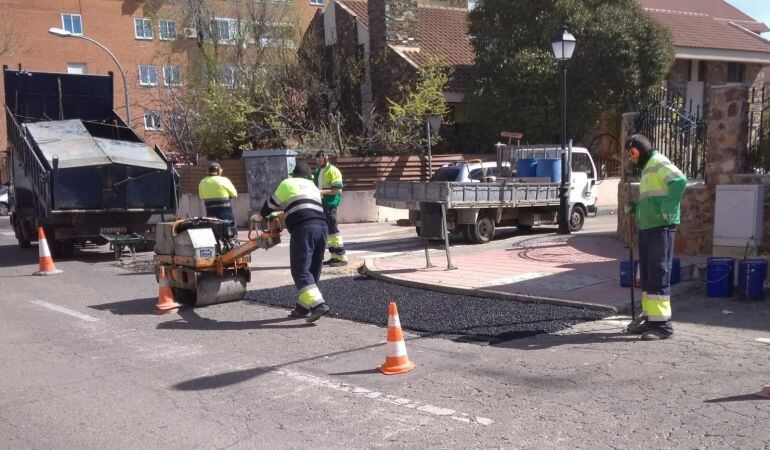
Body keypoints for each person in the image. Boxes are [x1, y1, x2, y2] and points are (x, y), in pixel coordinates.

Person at [625, 134, 687, 341]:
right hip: (649, 227)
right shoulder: (648, 168)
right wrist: (636, 208)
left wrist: (667, 209)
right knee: (649, 275)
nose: (631, 159)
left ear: (638, 150)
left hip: (661, 227)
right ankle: (652, 320)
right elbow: (653, 198)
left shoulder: (658, 162)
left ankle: (663, 326)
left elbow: (679, 180)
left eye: (632, 154)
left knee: (659, 272)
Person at [256, 162, 330, 323]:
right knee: (313, 269)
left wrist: (260, 216)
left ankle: (318, 305)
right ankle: (303, 307)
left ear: (293, 174)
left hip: (304, 228)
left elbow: (272, 203)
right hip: (322, 227)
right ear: (309, 176)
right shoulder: (313, 187)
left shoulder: (288, 183)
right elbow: (304, 206)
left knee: (300, 270)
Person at [313, 150, 348, 267]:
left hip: (330, 203)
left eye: (320, 159)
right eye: (317, 160)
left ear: (326, 158)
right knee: (329, 230)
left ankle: (342, 257)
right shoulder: (318, 171)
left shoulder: (333, 171)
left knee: (333, 229)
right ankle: (334, 256)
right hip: (321, 203)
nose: (318, 162)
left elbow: (338, 190)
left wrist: (321, 192)